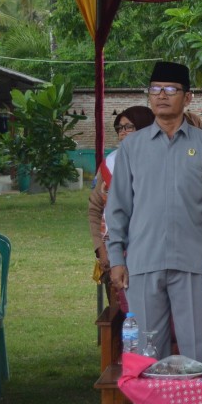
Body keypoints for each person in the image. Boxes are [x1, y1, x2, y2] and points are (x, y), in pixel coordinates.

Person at [105, 62, 202, 372]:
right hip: (143, 263)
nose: (161, 96)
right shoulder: (132, 147)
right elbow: (118, 207)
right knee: (148, 354)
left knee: (198, 351)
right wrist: (116, 258)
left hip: (195, 263)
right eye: (155, 90)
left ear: (187, 98)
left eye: (171, 90)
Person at [89, 106, 156, 281]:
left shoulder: (163, 162)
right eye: (120, 128)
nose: (123, 133)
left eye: (129, 127)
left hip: (154, 254)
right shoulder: (109, 165)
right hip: (114, 253)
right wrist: (101, 250)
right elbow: (95, 209)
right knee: (123, 307)